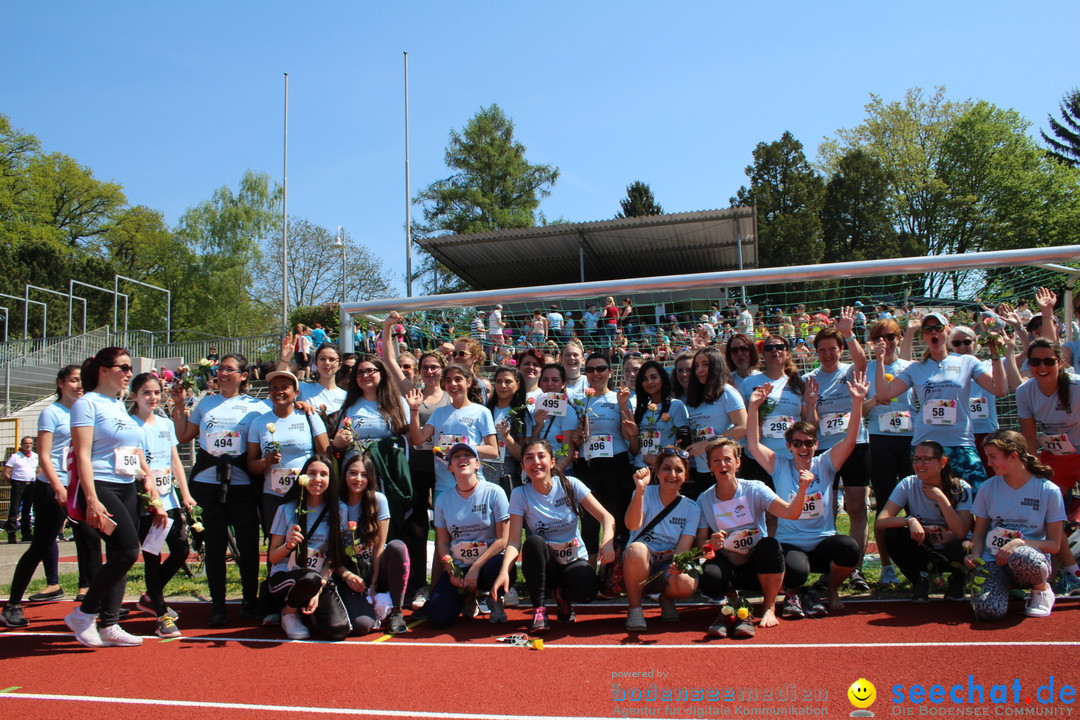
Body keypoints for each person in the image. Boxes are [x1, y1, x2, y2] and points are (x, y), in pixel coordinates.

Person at [65, 347, 166, 647]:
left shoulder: (118, 405)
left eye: (129, 368)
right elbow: (82, 453)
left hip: (126, 485)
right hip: (101, 484)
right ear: (103, 370)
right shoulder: (87, 404)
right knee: (126, 552)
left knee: (121, 557)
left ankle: (109, 624)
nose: (128, 374)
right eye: (123, 368)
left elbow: (130, 450)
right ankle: (83, 615)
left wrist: (146, 479)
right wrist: (92, 498)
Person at [746, 371, 868, 616]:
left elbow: (851, 441)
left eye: (809, 443)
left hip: (824, 541)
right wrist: (753, 406)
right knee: (797, 572)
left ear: (815, 444)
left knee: (849, 549)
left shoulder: (825, 463)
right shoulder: (779, 465)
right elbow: (753, 444)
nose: (804, 447)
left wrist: (857, 402)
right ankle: (797, 592)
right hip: (792, 544)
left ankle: (831, 589)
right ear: (789, 446)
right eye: (798, 443)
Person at [171, 353, 269, 626]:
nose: (223, 373)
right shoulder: (206, 403)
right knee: (214, 547)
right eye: (221, 368)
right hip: (208, 484)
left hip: (243, 485)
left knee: (248, 547)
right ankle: (218, 605)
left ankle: (250, 601)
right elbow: (183, 436)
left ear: (244, 375)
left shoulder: (257, 407)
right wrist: (179, 406)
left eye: (230, 369)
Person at [875, 311, 1007, 493]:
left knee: (978, 497)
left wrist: (996, 355)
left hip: (960, 443)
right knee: (932, 503)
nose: (933, 333)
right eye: (928, 330)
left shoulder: (967, 361)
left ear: (947, 332)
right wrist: (880, 360)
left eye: (938, 328)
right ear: (923, 336)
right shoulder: (915, 368)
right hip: (926, 446)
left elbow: (999, 390)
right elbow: (884, 394)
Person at [493, 439, 614, 633]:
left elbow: (606, 517)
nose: (536, 462)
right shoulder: (519, 494)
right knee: (533, 542)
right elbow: (514, 541)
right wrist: (503, 572)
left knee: (587, 592)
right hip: (545, 565)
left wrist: (607, 543)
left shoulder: (570, 484)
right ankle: (539, 609)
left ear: (552, 462)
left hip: (573, 560)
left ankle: (563, 596)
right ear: (523, 466)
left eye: (541, 456)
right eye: (529, 458)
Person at [695, 438, 812, 637]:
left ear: (737, 463)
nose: (723, 465)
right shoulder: (704, 499)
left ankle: (769, 607)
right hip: (730, 564)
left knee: (770, 545)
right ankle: (733, 601)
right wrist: (710, 544)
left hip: (759, 564)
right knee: (708, 575)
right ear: (709, 467)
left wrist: (802, 489)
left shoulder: (755, 488)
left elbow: (791, 512)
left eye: (727, 459)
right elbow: (700, 547)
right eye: (716, 460)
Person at [0, 366, 81, 629]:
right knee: (41, 545)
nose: (78, 385)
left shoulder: (82, 411)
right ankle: (12, 604)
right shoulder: (52, 412)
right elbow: (44, 455)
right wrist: (58, 487)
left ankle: (97, 602)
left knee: (91, 541)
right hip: (51, 487)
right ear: (61, 383)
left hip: (77, 485)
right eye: (73, 380)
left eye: (82, 380)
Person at [966, 430, 1065, 621]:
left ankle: (1041, 590)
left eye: (993, 457)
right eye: (987, 457)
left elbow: (1054, 545)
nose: (989, 463)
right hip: (994, 559)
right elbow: (979, 534)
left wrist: (1019, 543)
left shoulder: (1048, 490)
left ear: (1013, 456)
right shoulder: (988, 487)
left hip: (1029, 560)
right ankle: (1004, 588)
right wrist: (975, 556)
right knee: (988, 612)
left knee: (1023, 555)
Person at [803, 311, 870, 592]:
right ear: (816, 353)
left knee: (857, 507)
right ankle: (830, 566)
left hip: (855, 445)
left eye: (832, 349)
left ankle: (856, 568)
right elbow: (810, 422)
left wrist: (849, 334)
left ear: (840, 350)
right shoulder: (810, 379)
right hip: (826, 450)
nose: (827, 354)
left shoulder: (850, 371)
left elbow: (863, 360)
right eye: (822, 350)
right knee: (826, 508)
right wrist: (811, 402)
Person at [130, 373, 195, 637]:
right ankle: (160, 615)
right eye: (146, 393)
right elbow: (137, 465)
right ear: (134, 396)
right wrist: (153, 498)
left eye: (156, 392)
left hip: (169, 499)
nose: (153, 398)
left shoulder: (166, 424)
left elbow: (174, 460)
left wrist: (185, 494)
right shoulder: (130, 426)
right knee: (152, 557)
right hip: (146, 502)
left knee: (181, 551)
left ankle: (150, 596)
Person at [1015, 338, 1080, 594]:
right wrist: (1030, 470)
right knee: (1051, 515)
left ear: (1060, 363)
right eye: (1035, 362)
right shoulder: (1025, 391)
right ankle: (1072, 572)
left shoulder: (1076, 386)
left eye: (1048, 361)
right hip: (1055, 458)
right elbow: (1029, 437)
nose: (1042, 367)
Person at [875, 441, 973, 602]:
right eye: (916, 459)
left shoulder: (961, 488)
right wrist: (909, 520)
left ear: (942, 462)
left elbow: (962, 531)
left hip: (953, 550)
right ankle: (919, 580)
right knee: (892, 533)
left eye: (926, 459)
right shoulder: (908, 483)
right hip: (925, 547)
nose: (919, 464)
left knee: (965, 546)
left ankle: (958, 580)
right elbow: (881, 522)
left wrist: (941, 498)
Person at [267, 454, 351, 640]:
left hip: (318, 578)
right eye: (311, 474)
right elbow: (272, 558)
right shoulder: (286, 509)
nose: (317, 479)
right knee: (308, 578)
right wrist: (288, 546)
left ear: (331, 479)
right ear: (303, 477)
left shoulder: (339, 509)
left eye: (323, 474)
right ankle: (289, 613)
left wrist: (318, 589)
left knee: (337, 630)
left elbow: (333, 557)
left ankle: (310, 614)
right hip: (286, 576)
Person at [429, 443, 511, 629]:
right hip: (459, 566)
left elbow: (503, 540)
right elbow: (442, 543)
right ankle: (468, 596)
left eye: (468, 455)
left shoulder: (494, 492)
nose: (462, 458)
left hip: (488, 564)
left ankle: (494, 597)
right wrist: (450, 572)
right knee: (437, 619)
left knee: (501, 564)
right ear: (449, 467)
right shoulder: (442, 500)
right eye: (456, 456)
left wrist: (476, 566)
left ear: (477, 464)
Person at [623, 448, 701, 631]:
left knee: (686, 583)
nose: (672, 475)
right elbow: (632, 526)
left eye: (678, 470)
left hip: (665, 569)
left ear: (685, 475)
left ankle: (666, 598)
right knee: (637, 549)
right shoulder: (645, 493)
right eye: (666, 468)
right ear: (657, 472)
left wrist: (677, 567)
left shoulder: (692, 508)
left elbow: (683, 548)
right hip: (638, 565)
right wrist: (640, 490)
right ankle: (635, 609)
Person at [567, 352, 635, 561]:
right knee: (589, 521)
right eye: (590, 370)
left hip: (616, 464)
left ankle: (613, 571)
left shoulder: (620, 398)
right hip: (588, 466)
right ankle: (590, 569)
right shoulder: (578, 401)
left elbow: (630, 435)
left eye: (601, 369)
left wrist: (623, 406)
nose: (595, 374)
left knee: (617, 516)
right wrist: (577, 438)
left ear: (610, 372)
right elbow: (575, 439)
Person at [862, 319, 915, 586]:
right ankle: (886, 566)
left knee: (916, 503)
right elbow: (858, 410)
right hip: (880, 440)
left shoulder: (910, 368)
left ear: (899, 337)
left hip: (909, 439)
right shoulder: (867, 369)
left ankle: (919, 563)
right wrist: (874, 401)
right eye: (879, 337)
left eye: (891, 336)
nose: (886, 341)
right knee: (884, 503)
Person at [338, 452, 410, 634]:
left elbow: (379, 546)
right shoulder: (338, 504)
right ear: (344, 474)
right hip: (352, 572)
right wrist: (348, 576)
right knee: (362, 626)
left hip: (376, 567)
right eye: (353, 473)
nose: (358, 479)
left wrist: (375, 582)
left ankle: (396, 611)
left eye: (364, 475)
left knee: (397, 547)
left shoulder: (379, 500)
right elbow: (335, 549)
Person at [738, 335, 808, 485]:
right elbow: (740, 419)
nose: (774, 351)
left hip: (790, 456)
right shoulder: (748, 383)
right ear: (763, 355)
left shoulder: (798, 383)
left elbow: (807, 421)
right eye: (769, 348)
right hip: (759, 457)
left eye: (780, 347)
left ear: (788, 353)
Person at [685, 347, 748, 499]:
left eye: (705, 364)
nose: (700, 370)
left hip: (723, 468)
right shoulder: (694, 397)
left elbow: (743, 427)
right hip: (701, 469)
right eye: (697, 366)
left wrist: (708, 444)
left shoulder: (727, 392)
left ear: (716, 366)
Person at [623, 360, 690, 471]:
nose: (649, 382)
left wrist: (660, 458)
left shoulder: (676, 405)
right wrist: (634, 435)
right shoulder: (641, 409)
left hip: (665, 469)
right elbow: (635, 451)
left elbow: (684, 443)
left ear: (662, 379)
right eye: (645, 379)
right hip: (640, 468)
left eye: (654, 377)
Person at [485, 365, 530, 494]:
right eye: (498, 381)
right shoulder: (484, 410)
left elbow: (523, 455)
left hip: (507, 472)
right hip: (482, 468)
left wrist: (507, 437)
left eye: (508, 381)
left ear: (518, 385)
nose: (502, 386)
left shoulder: (522, 415)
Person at [4, 436, 38, 545]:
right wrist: (13, 482)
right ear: (22, 445)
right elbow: (6, 473)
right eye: (26, 443)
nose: (28, 445)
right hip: (18, 483)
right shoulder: (15, 456)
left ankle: (26, 533)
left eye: (30, 443)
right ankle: (12, 533)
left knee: (27, 510)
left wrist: (36, 477)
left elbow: (41, 467)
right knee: (14, 509)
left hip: (31, 484)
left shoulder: (35, 456)